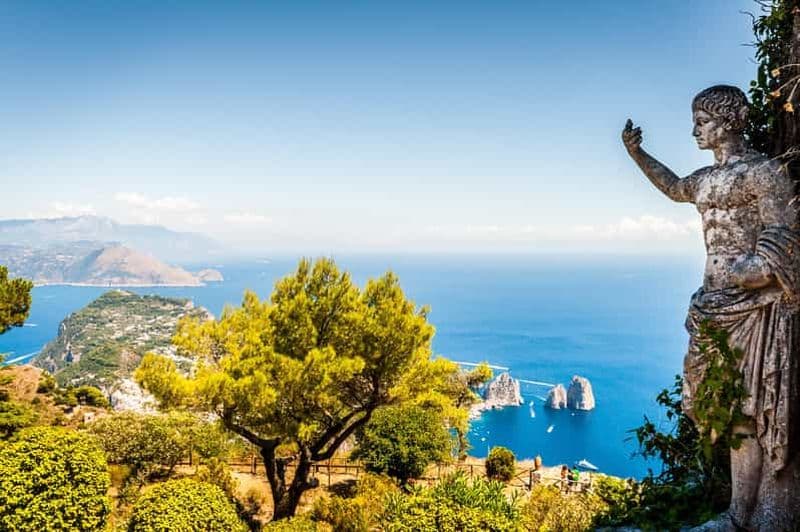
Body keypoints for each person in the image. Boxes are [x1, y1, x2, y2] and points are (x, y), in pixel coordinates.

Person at [623, 85, 800, 530]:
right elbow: (673, 187)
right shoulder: (705, 179)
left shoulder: (762, 173)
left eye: (702, 122)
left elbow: (784, 233)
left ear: (728, 121)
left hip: (753, 306)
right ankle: (738, 513)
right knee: (728, 406)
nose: (694, 130)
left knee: (753, 405)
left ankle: (759, 513)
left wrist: (756, 267)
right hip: (712, 305)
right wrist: (636, 154)